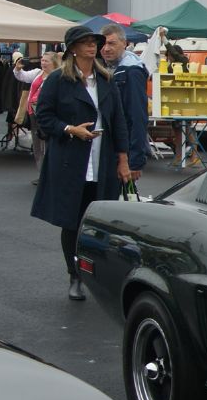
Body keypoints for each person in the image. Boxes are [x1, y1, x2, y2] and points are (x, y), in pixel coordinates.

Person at [30, 26, 132, 302]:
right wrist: (69, 129)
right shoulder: (58, 81)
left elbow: (119, 122)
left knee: (99, 222)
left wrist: (123, 160)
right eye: (85, 42)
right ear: (72, 48)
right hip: (70, 161)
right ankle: (75, 275)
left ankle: (95, 273)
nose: (92, 46)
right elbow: (44, 116)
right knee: (73, 222)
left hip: (102, 159)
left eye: (93, 42)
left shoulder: (106, 79)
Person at [99, 24, 148, 183]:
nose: (106, 48)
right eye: (103, 44)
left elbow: (137, 116)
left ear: (125, 43)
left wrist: (135, 160)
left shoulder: (131, 70)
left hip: (122, 151)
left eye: (111, 43)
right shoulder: (108, 68)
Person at [17, 51, 58, 185]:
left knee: (47, 144)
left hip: (47, 114)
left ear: (54, 63)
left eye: (46, 61)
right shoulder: (37, 73)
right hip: (33, 113)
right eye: (42, 60)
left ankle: (49, 175)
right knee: (37, 145)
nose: (43, 63)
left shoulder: (57, 76)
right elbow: (22, 76)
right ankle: (42, 174)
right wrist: (18, 68)